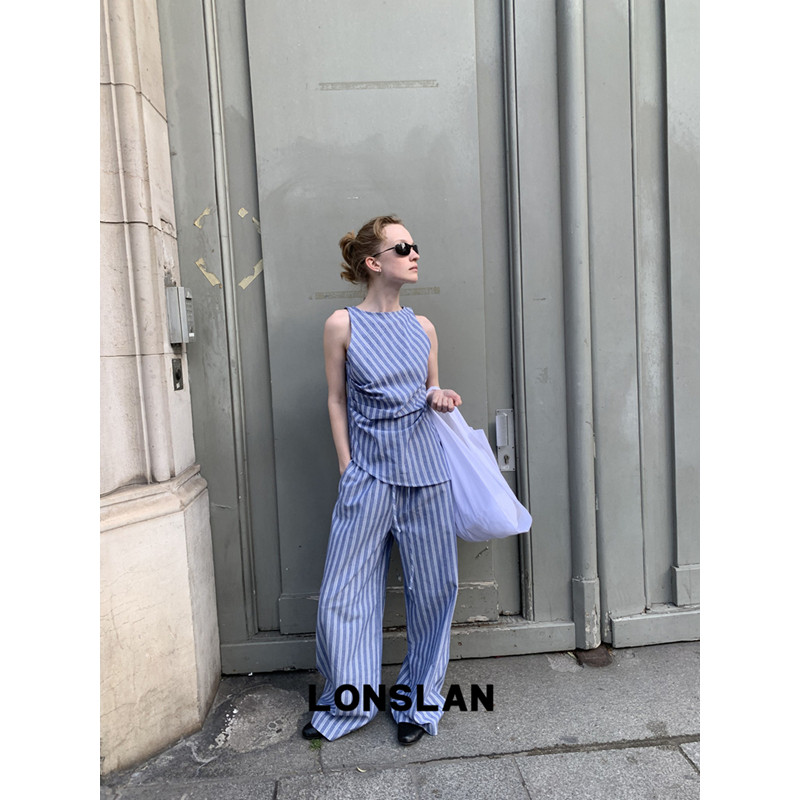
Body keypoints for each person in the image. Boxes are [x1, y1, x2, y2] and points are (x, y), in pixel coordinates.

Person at [302, 215, 462, 746]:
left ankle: (418, 702)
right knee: (344, 594)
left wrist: (440, 395)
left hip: (427, 476)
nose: (415, 253)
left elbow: (431, 389)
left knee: (434, 591)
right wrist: (347, 466)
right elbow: (336, 400)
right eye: (403, 246)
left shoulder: (424, 328)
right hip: (368, 476)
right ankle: (349, 703)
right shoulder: (341, 325)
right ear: (373, 262)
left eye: (415, 245)